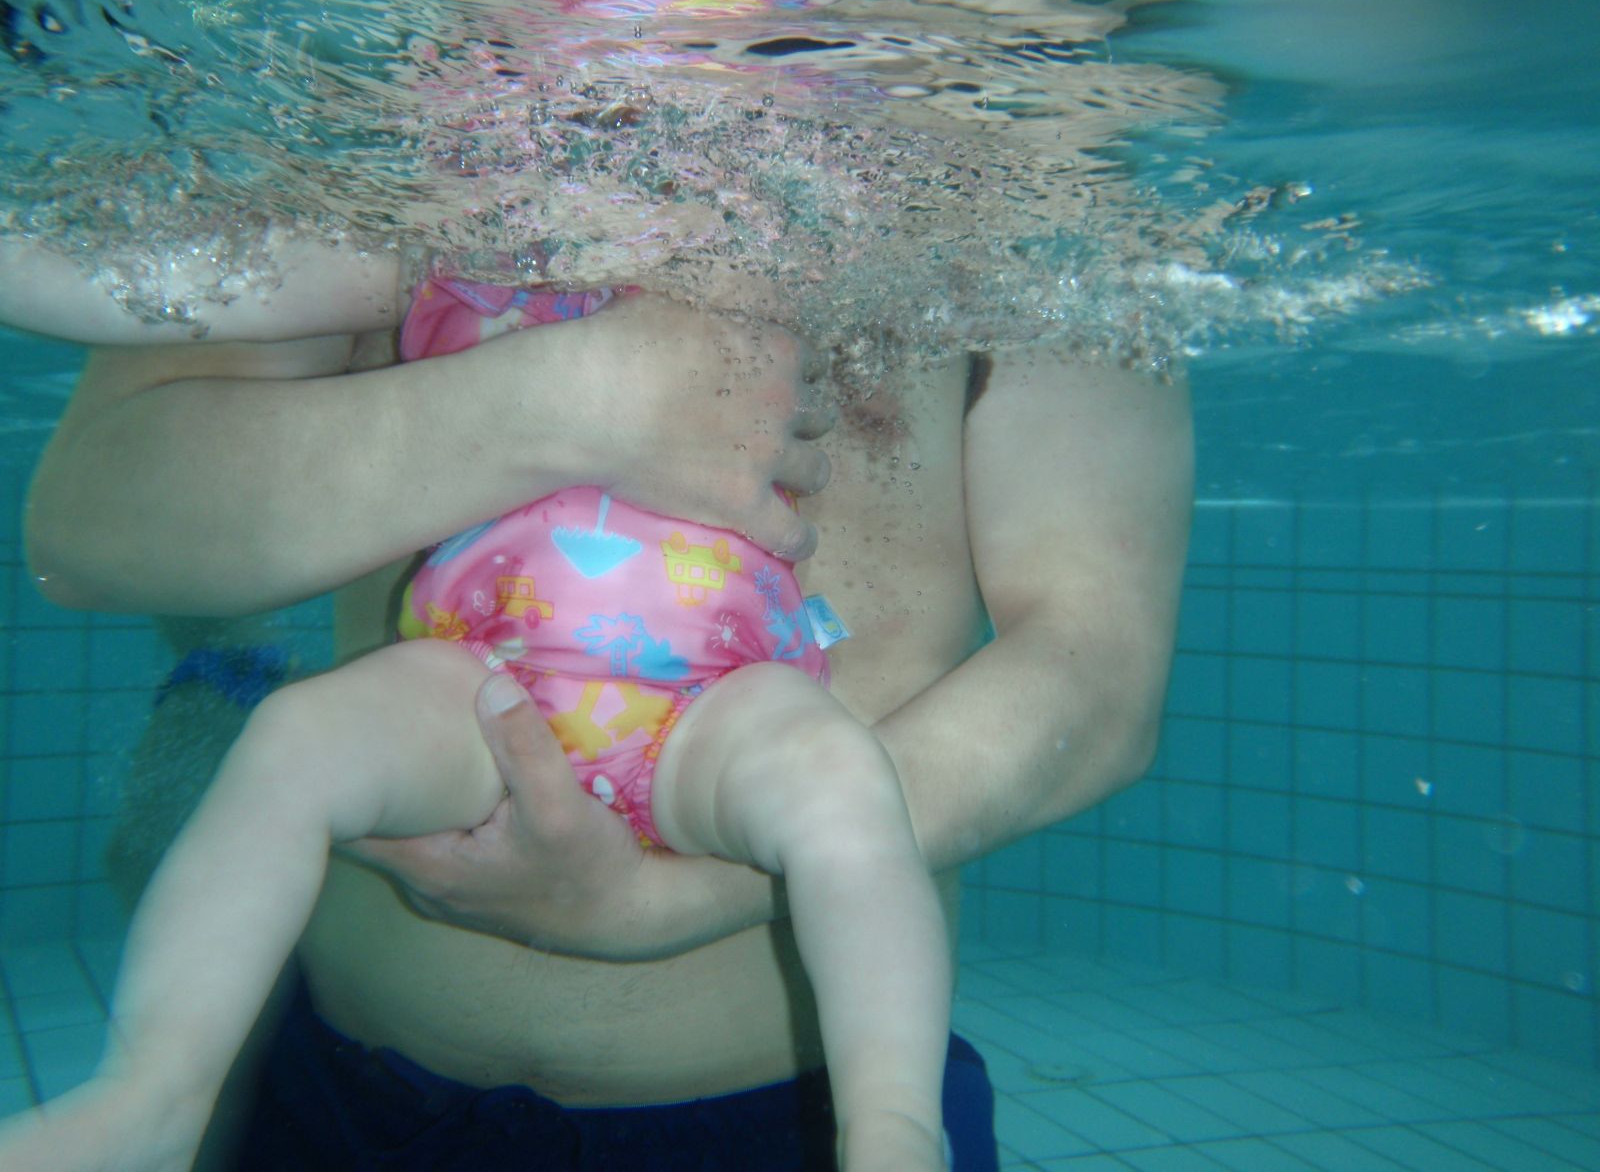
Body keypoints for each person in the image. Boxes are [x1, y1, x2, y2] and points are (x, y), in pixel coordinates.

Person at [0, 224, 1193, 1169]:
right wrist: (551, 405)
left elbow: (1096, 675)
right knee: (296, 740)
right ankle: (154, 1092)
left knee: (828, 782)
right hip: (346, 1074)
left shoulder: (1003, 181)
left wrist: (677, 903)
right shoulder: (417, 163)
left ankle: (893, 1136)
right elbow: (88, 514)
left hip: (786, 1104)